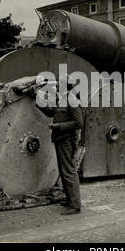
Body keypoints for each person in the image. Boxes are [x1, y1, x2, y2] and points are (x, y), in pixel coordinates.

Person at [35, 79, 84, 215]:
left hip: (66, 140)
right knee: (64, 171)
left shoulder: (72, 99)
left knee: (68, 171)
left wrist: (58, 126)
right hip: (60, 139)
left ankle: (75, 205)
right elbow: (52, 112)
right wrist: (39, 100)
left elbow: (78, 123)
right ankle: (70, 201)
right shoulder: (62, 98)